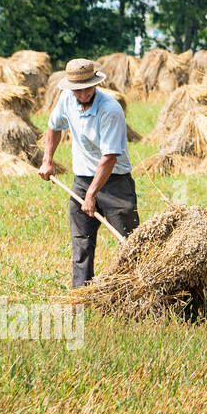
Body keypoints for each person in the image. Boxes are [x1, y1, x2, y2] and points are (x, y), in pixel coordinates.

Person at [38, 58, 139, 286]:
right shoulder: (66, 100)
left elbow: (109, 158)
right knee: (81, 242)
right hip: (82, 179)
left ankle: (137, 292)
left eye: (87, 87)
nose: (83, 93)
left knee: (130, 241)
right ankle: (80, 294)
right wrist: (47, 161)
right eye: (78, 88)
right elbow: (54, 126)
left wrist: (91, 196)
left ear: (95, 83)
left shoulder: (110, 109)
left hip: (115, 184)